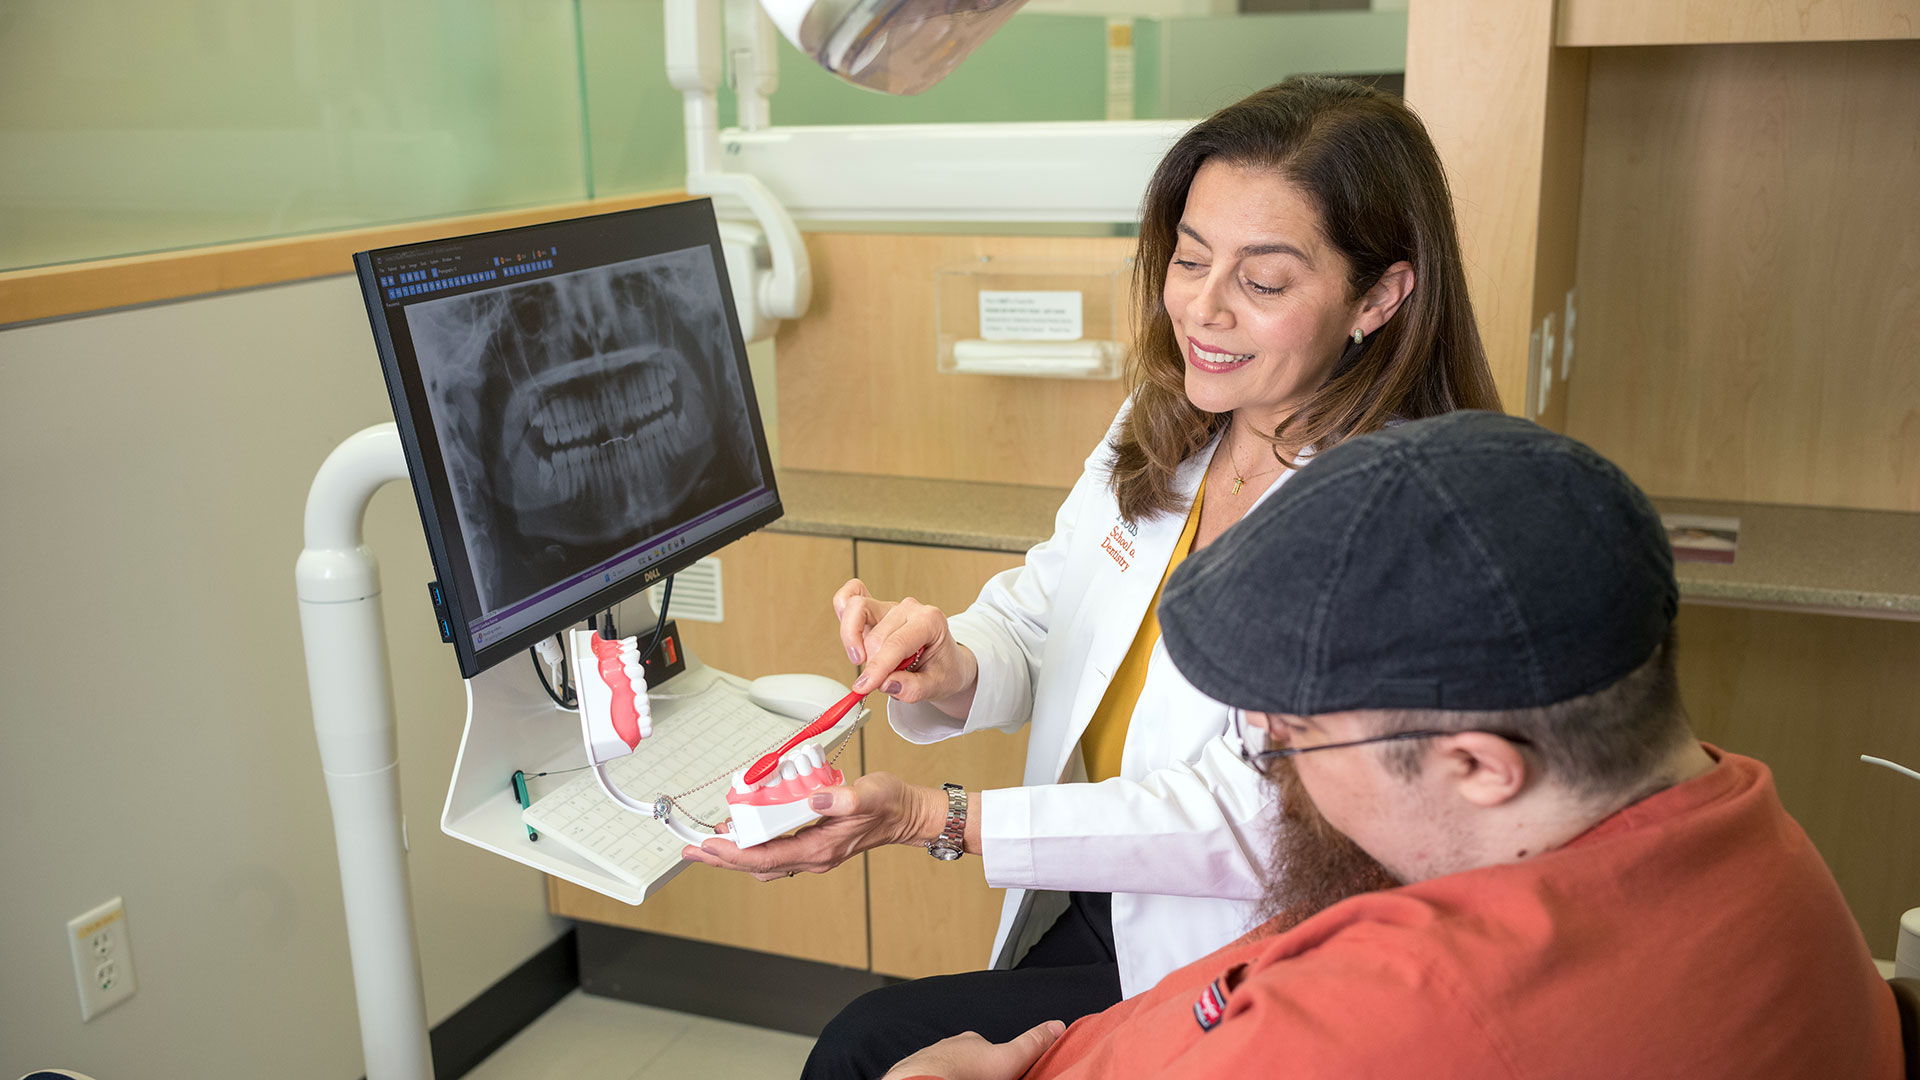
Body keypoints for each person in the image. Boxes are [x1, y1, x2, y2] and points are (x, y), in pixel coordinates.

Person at [682, 74, 1501, 1078]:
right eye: (1190, 259)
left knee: (863, 1050)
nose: (1202, 308)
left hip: (1255, 958)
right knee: (870, 1045)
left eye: (1265, 282)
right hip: (1108, 904)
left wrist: (932, 818)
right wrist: (952, 660)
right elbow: (1047, 614)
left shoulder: (1401, 516)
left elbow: (1260, 818)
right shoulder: (1175, 422)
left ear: (1378, 295)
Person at [880, 410, 1904, 1080]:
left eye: (1297, 730)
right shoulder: (1755, 837)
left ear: (1478, 767)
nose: (1266, 750)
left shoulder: (1416, 1018)